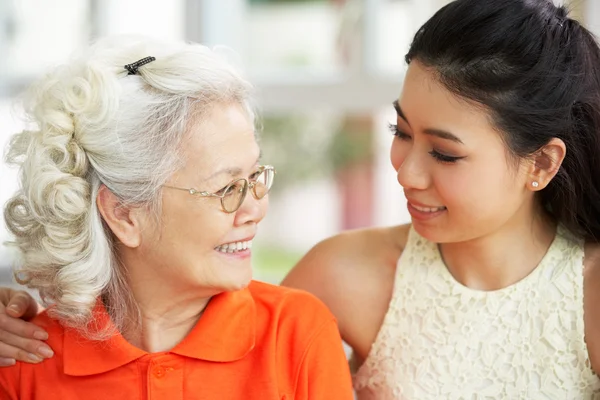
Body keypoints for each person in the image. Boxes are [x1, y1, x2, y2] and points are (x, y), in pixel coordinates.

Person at [3, 0, 600, 398]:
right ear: (123, 211)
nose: (406, 173)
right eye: (400, 132)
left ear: (542, 163)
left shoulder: (588, 293)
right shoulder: (337, 276)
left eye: (445, 153)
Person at [0, 35, 354, 399]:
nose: (255, 209)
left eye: (253, 177)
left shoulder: (297, 337)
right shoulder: (24, 361)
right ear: (124, 214)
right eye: (227, 188)